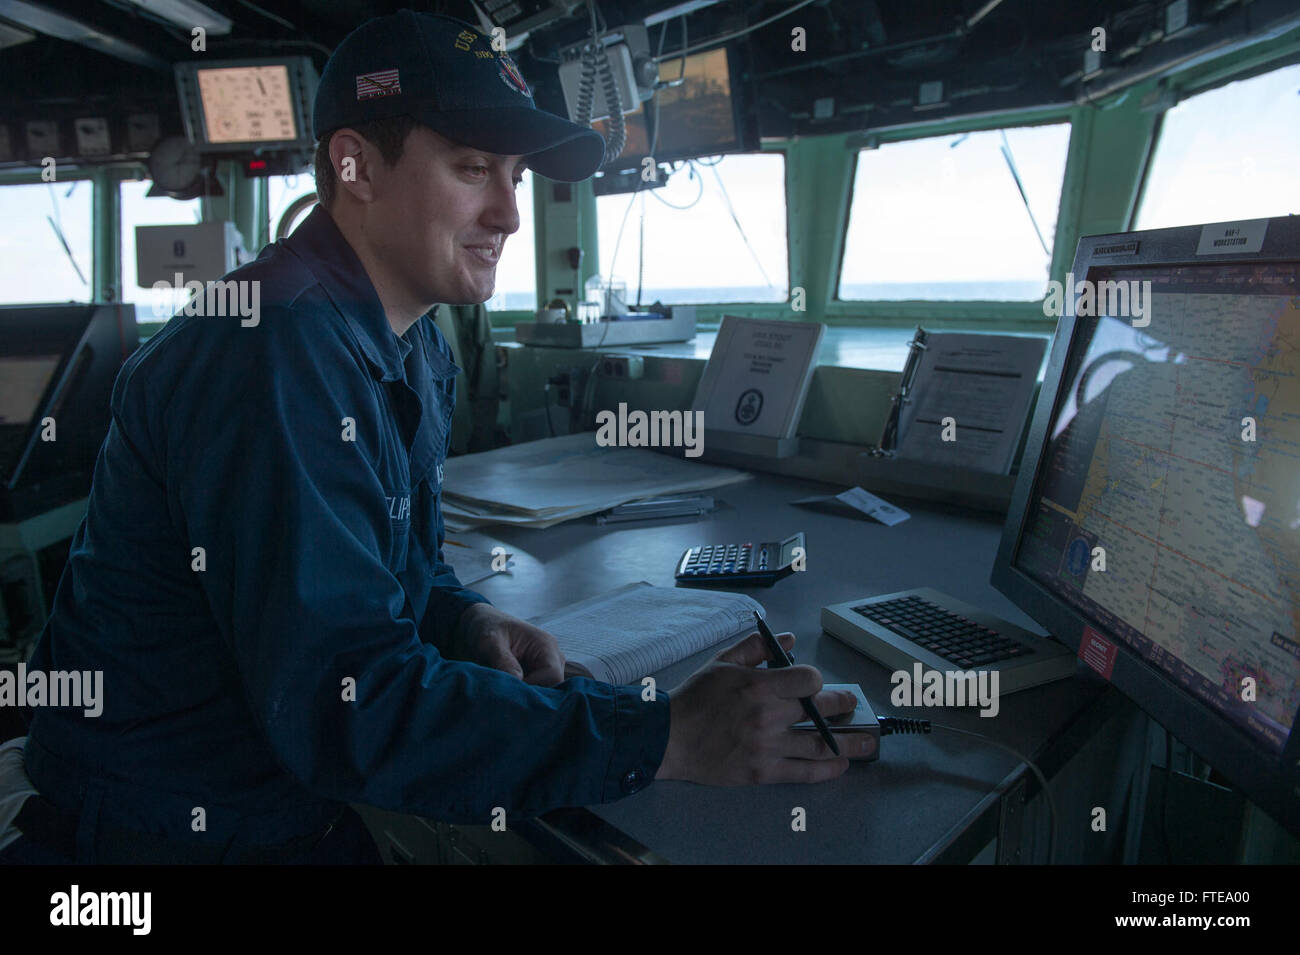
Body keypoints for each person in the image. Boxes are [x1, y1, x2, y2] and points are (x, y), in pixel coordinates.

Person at [0, 10, 857, 865]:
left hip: (281, 798)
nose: (510, 215)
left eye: (516, 176)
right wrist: (667, 735)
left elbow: (381, 572)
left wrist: (461, 617)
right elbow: (351, 706)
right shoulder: (273, 351)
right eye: (474, 166)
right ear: (354, 165)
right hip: (165, 833)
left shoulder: (409, 342)